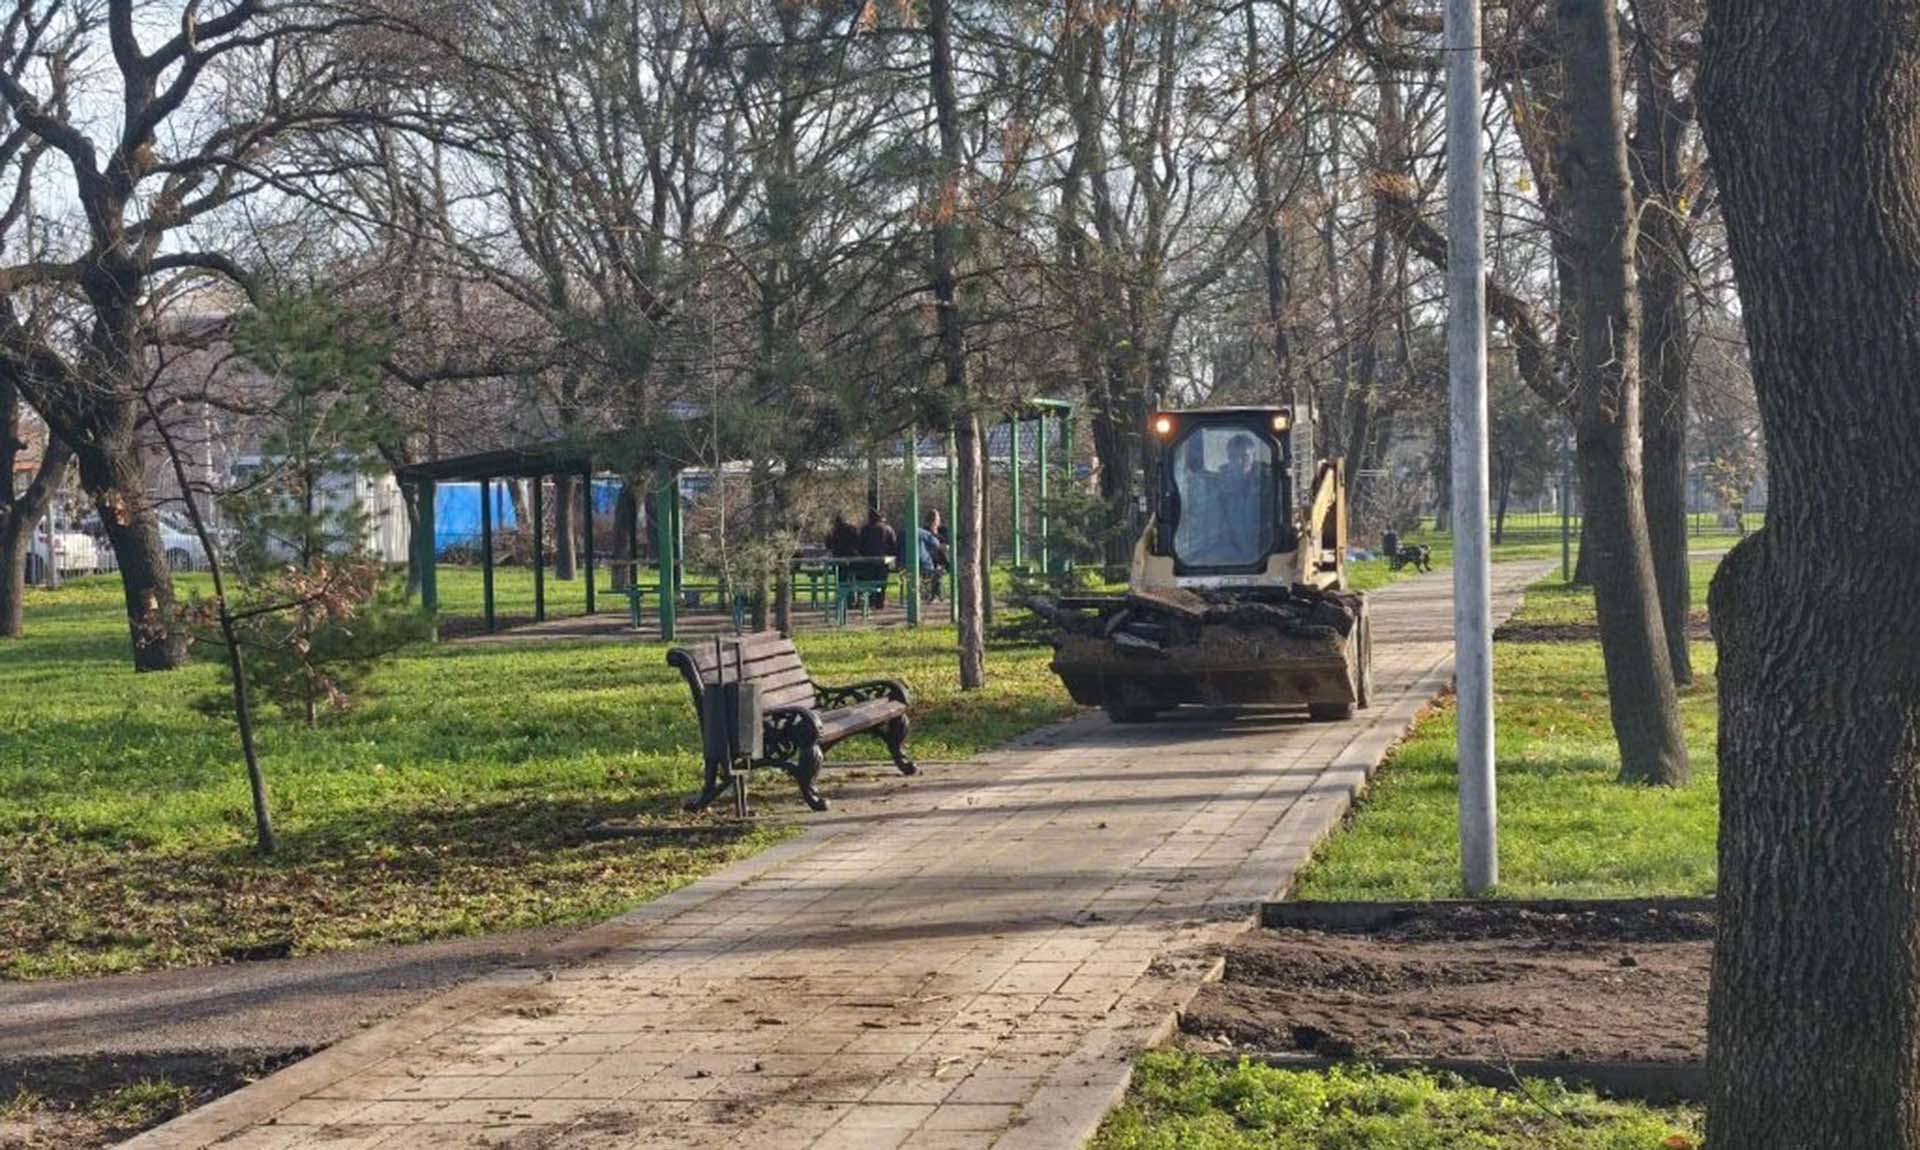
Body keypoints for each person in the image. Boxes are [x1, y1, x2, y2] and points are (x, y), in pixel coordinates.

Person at [857, 509, 897, 608]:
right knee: (882, 582)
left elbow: (860, 546)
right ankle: (880, 601)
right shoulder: (888, 529)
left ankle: (870, 601)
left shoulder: (865, 529)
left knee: (869, 581)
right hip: (884, 560)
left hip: (868, 561)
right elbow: (893, 546)